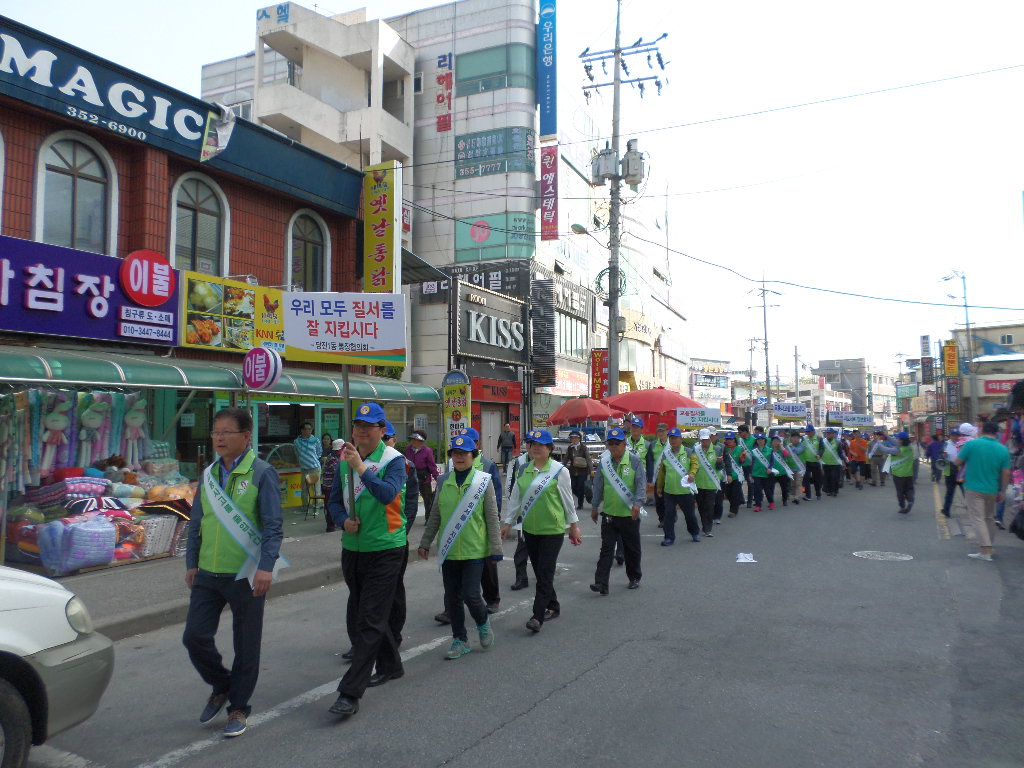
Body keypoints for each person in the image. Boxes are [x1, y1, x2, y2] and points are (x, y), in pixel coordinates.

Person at [183, 407, 284, 739]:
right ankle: (222, 684)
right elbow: (197, 522)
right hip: (208, 574)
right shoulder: (209, 474)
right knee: (195, 637)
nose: (220, 438)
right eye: (215, 432)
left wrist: (266, 567)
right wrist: (192, 563)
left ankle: (239, 707)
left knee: (246, 644)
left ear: (246, 436)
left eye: (227, 432)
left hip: (246, 573)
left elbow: (272, 526)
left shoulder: (262, 472)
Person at [327, 402, 407, 720]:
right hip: (353, 547)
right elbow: (333, 501)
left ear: (382, 430)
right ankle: (391, 665)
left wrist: (361, 467)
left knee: (368, 621)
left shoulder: (393, 460)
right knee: (367, 612)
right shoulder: (344, 460)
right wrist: (343, 520)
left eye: (369, 426)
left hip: (386, 547)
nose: (361, 430)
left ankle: (350, 693)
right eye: (357, 425)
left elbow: (388, 495)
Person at [418, 434, 502, 659]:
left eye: (464, 453)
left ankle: (483, 623)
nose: (459, 457)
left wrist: (496, 548)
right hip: (449, 550)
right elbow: (435, 514)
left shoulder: (483, 481)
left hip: (475, 549)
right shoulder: (444, 481)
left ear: (473, 456)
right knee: (452, 597)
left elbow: (492, 517)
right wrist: (425, 542)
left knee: (472, 595)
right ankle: (459, 639)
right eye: (455, 454)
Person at [501, 429, 582, 632]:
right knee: (539, 570)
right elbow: (515, 499)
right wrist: (508, 522)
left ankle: (537, 616)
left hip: (552, 530)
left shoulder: (558, 471)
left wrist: (573, 526)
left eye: (541, 445)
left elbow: (567, 501)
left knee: (544, 573)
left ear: (550, 448)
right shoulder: (523, 469)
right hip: (530, 529)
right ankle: (553, 605)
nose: (535, 448)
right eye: (532, 444)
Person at [436, 427, 503, 619]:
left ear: (476, 446)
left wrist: (493, 526)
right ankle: (451, 608)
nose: (460, 454)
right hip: (454, 528)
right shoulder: (452, 464)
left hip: (478, 527)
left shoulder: (488, 465)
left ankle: (492, 598)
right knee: (453, 576)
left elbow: (495, 497)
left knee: (487, 568)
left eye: (469, 443)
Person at [589, 426, 646, 592]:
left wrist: (637, 504)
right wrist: (594, 507)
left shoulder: (635, 461)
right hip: (609, 514)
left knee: (632, 549)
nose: (614, 447)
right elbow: (598, 485)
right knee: (606, 549)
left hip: (629, 514)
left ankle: (634, 576)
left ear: (624, 443)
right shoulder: (604, 463)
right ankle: (601, 583)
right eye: (610, 444)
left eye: (617, 443)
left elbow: (641, 484)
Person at [383, 421, 418, 651]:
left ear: (394, 440)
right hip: (367, 540)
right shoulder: (360, 463)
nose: (384, 443)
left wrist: (401, 530)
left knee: (393, 592)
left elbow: (411, 503)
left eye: (387, 438)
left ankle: (393, 636)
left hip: (394, 538)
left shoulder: (404, 465)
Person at [955, 421, 1012, 561]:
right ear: (996, 433)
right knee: (989, 518)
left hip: (973, 488)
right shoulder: (1003, 449)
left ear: (981, 431)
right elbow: (1006, 473)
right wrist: (1003, 491)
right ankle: (989, 547)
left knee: (977, 518)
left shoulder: (971, 444)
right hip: (992, 489)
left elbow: (956, 462)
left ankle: (985, 550)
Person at [654, 427, 699, 544]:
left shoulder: (689, 452)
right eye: (671, 438)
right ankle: (668, 537)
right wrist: (659, 487)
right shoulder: (666, 454)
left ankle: (694, 532)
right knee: (668, 516)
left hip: (685, 491)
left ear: (680, 439)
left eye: (675, 438)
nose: (673, 440)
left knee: (689, 515)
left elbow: (695, 465)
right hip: (669, 491)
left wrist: (692, 474)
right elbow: (661, 472)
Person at [506, 434, 533, 591]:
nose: (533, 447)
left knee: (542, 551)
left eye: (537, 444)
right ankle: (521, 577)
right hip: (524, 512)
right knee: (522, 547)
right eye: (530, 444)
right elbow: (512, 485)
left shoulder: (553, 466)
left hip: (543, 514)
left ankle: (544, 576)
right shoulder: (520, 462)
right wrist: (511, 512)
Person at [404, 431, 439, 524]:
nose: (413, 441)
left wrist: (437, 478)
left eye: (415, 440)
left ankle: (429, 519)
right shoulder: (408, 449)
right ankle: (407, 519)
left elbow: (432, 466)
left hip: (424, 478)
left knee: (427, 500)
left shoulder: (427, 451)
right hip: (410, 478)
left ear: (421, 441)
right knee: (409, 499)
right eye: (412, 439)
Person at [878, 431, 916, 513]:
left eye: (898, 439)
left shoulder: (897, 450)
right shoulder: (909, 447)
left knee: (900, 491)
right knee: (909, 488)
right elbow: (895, 442)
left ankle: (902, 507)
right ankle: (910, 501)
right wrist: (887, 436)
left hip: (898, 474)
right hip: (909, 473)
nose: (897, 440)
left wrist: (878, 442)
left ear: (901, 440)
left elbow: (884, 449)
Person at [693, 428, 720, 536]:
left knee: (709, 506)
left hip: (711, 483)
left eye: (707, 439)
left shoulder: (717, 449)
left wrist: (719, 463)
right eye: (703, 440)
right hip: (698, 483)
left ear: (710, 438)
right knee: (701, 506)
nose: (705, 442)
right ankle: (704, 524)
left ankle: (707, 528)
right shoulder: (695, 450)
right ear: (700, 439)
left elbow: (719, 467)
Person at [294, 421, 322, 509]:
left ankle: (317, 505)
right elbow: (296, 453)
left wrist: (313, 459)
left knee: (316, 488)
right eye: (307, 429)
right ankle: (305, 505)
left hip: (315, 467)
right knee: (304, 489)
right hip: (304, 468)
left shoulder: (315, 440)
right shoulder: (297, 441)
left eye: (310, 429)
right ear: (302, 430)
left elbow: (319, 452)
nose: (309, 431)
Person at [626, 417, 654, 504]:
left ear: (642, 429)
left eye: (637, 427)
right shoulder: (624, 442)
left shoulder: (647, 444)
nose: (634, 429)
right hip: (626, 474)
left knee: (639, 500)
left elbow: (650, 463)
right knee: (626, 499)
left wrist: (649, 480)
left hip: (641, 476)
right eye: (633, 427)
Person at [564, 430, 594, 510]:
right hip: (573, 470)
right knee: (573, 487)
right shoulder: (570, 448)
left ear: (579, 439)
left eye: (575, 438)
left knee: (580, 486)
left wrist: (591, 470)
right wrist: (561, 468)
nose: (574, 440)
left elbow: (588, 459)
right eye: (572, 438)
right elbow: (566, 459)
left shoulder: (583, 448)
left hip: (583, 471)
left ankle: (580, 504)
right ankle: (582, 495)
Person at [722, 432, 748, 518]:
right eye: (727, 439)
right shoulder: (722, 448)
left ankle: (733, 510)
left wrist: (743, 456)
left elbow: (742, 462)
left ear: (734, 440)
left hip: (737, 475)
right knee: (728, 493)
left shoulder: (739, 448)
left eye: (731, 439)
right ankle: (736, 503)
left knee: (735, 493)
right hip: (726, 475)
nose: (729, 441)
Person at [940, 427, 965, 517]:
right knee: (949, 492)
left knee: (966, 491)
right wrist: (943, 455)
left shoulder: (963, 444)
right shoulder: (946, 444)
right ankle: (946, 510)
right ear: (950, 436)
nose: (955, 437)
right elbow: (942, 454)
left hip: (961, 470)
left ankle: (972, 510)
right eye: (953, 435)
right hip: (949, 470)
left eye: (957, 435)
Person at [748, 433, 776, 511]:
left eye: (762, 439)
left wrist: (770, 468)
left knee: (767, 489)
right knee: (757, 490)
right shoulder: (754, 451)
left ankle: (771, 502)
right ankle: (758, 505)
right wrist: (751, 472)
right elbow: (752, 462)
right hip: (756, 473)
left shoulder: (769, 450)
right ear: (756, 441)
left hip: (766, 473)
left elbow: (772, 461)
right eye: (759, 440)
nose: (760, 441)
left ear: (765, 440)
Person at [321, 438, 344, 533]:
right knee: (330, 506)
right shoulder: (332, 458)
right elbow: (339, 472)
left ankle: (337, 523)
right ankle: (330, 526)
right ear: (338, 450)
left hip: (334, 486)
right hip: (329, 487)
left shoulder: (339, 457)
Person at [649, 424, 669, 526]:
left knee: (669, 500)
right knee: (659, 501)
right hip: (657, 477)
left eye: (663, 431)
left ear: (667, 431)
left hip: (670, 477)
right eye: (659, 431)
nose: (661, 433)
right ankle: (662, 519)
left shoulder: (672, 443)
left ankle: (670, 518)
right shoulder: (652, 444)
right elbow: (650, 461)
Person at [798, 425, 823, 500]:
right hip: (806, 462)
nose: (808, 433)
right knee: (806, 479)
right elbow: (800, 447)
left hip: (816, 462)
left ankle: (818, 494)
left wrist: (819, 454)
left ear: (813, 431)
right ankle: (808, 495)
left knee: (817, 479)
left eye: (809, 431)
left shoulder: (819, 438)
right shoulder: (804, 439)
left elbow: (822, 448)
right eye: (807, 432)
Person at [819, 427, 846, 497]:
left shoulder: (837, 442)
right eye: (827, 433)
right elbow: (820, 450)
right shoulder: (823, 441)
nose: (828, 434)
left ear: (834, 434)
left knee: (835, 478)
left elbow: (840, 453)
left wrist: (842, 461)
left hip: (835, 463)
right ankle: (829, 490)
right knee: (827, 478)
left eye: (830, 433)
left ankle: (835, 491)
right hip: (826, 463)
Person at [769, 434, 794, 506]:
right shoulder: (769, 449)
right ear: (771, 442)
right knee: (771, 488)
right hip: (772, 472)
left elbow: (787, 455)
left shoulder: (781, 450)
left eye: (777, 441)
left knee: (784, 487)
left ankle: (785, 500)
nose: (775, 442)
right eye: (774, 441)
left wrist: (781, 446)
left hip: (782, 472)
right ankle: (771, 501)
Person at [785, 430, 805, 505]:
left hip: (800, 467)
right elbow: (786, 455)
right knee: (793, 483)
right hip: (791, 467)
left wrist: (791, 446)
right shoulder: (787, 446)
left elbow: (798, 451)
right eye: (793, 438)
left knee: (798, 483)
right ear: (790, 438)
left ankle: (797, 498)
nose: (795, 439)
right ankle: (794, 496)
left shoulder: (802, 445)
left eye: (797, 438)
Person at [737, 424, 755, 507]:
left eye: (740, 432)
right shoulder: (739, 440)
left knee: (750, 483)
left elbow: (756, 453)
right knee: (738, 482)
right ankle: (741, 499)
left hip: (750, 465)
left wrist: (753, 462)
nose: (739, 433)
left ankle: (750, 501)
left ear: (745, 432)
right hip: (740, 465)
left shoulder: (754, 440)